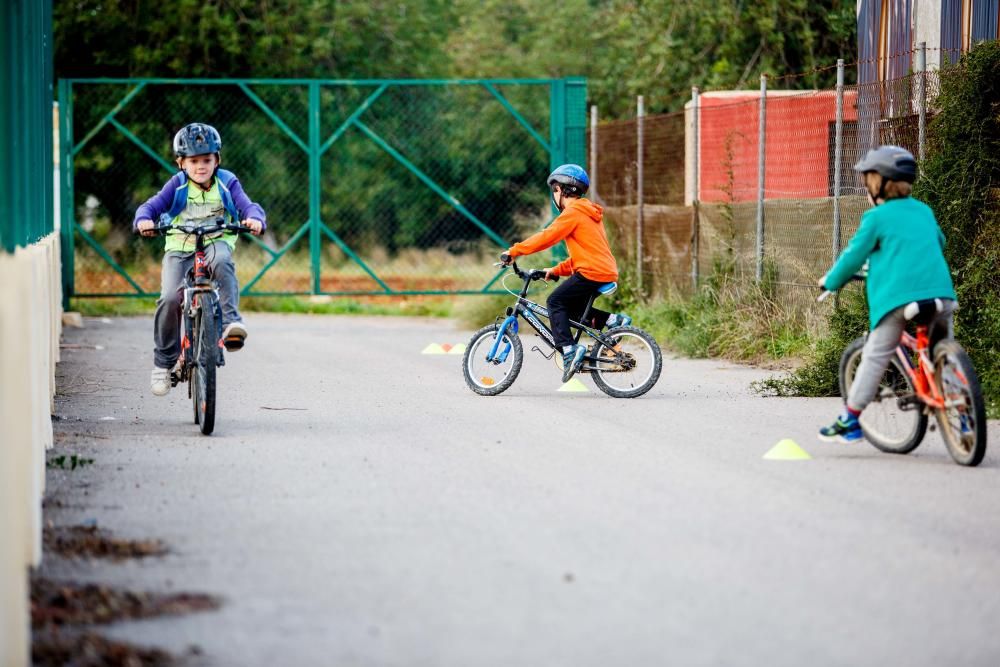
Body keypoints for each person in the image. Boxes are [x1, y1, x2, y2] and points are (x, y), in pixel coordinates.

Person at [818, 145, 957, 443]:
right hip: (942, 296)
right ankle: (959, 405)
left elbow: (853, 256)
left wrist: (831, 282)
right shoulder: (924, 210)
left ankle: (850, 420)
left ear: (878, 183)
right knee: (941, 347)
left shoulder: (876, 218)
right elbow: (939, 242)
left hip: (897, 300)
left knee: (875, 354)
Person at [134, 123, 266, 396]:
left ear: (217, 159)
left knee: (223, 264)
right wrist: (144, 220)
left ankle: (231, 323)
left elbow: (247, 205)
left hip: (217, 241)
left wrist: (254, 219)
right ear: (181, 163)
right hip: (180, 246)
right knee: (170, 297)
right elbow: (151, 206)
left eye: (207, 159)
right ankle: (163, 363)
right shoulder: (177, 184)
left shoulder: (227, 182)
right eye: (193, 161)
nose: (201, 166)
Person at [500, 164, 631, 383]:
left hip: (592, 271)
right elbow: (585, 254)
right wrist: (555, 270)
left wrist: (513, 252)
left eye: (555, 190)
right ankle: (612, 320)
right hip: (600, 269)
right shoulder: (587, 213)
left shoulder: (573, 213)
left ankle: (569, 350)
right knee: (569, 309)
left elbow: (546, 237)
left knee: (555, 302)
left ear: (563, 189)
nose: (554, 195)